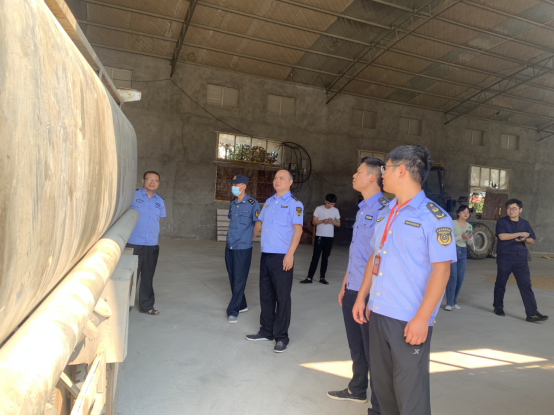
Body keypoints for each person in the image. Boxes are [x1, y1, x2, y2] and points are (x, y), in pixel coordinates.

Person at [353, 145, 456, 415]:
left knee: (410, 395)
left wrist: (422, 318)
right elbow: (376, 255)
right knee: (384, 390)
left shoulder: (434, 217)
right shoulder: (388, 211)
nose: (382, 174)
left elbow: (442, 272)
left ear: (401, 170)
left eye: (385, 168)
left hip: (408, 318)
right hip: (378, 312)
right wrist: (362, 296)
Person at [326, 158, 385, 412]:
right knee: (356, 345)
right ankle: (357, 389)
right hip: (353, 286)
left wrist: (364, 293)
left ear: (372, 176)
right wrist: (345, 285)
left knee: (374, 351)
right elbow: (357, 254)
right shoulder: (363, 208)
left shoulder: (384, 210)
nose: (354, 175)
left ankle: (380, 404)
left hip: (369, 291)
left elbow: (380, 256)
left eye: (358, 171)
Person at [246, 170, 304, 353]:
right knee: (266, 295)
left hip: (282, 257)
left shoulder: (295, 204)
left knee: (282, 298)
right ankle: (266, 331)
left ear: (290, 182)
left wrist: (290, 255)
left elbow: (298, 230)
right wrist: (247, 241)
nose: (277, 181)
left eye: (282, 178)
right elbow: (259, 223)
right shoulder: (269, 202)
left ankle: (281, 337)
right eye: (276, 178)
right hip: (266, 255)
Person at [493, 199, 548, 323]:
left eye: (514, 208)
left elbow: (531, 240)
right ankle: (498, 307)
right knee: (501, 283)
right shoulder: (502, 222)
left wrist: (524, 239)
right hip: (505, 258)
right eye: (509, 208)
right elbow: (502, 236)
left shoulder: (525, 223)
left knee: (526, 285)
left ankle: (532, 314)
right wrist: (520, 234)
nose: (511, 211)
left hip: (521, 259)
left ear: (520, 210)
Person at [126, 171, 166, 316]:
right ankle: (124, 306)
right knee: (130, 276)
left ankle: (147, 305)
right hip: (133, 243)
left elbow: (158, 220)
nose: (152, 182)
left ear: (158, 183)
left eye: (156, 180)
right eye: (149, 179)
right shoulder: (132, 196)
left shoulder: (159, 201)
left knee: (148, 276)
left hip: (151, 244)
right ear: (143, 181)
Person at [225, 174, 261, 324]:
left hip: (243, 247)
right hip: (230, 245)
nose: (233, 187)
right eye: (232, 184)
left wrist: (248, 238)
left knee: (239, 278)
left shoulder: (253, 203)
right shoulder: (232, 203)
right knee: (233, 277)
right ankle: (242, 304)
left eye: (236, 185)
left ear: (244, 186)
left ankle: (233, 310)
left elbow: (258, 224)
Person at [300, 194, 341, 285]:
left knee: (325, 258)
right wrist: (323, 221)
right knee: (315, 257)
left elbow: (338, 223)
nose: (330, 205)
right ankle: (309, 278)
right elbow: (314, 221)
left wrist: (332, 221)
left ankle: (322, 278)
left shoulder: (335, 211)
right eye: (329, 203)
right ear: (325, 201)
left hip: (329, 237)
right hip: (320, 236)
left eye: (332, 204)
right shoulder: (319, 209)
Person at [444, 204, 473, 311]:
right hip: (453, 250)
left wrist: (469, 238)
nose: (466, 214)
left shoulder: (469, 226)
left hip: (463, 251)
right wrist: (461, 236)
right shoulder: (452, 223)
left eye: (468, 212)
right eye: (463, 212)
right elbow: (448, 239)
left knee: (460, 278)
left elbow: (469, 243)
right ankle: (449, 303)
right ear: (458, 213)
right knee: (453, 277)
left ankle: (454, 301)